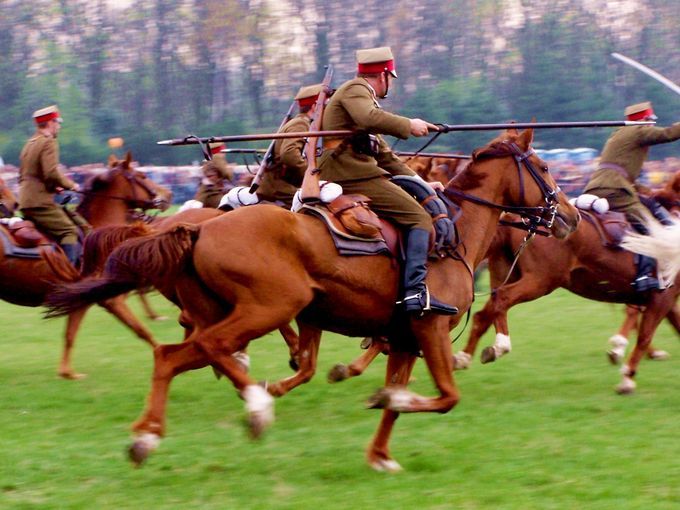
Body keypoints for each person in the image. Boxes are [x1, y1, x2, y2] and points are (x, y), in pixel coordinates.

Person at [318, 46, 456, 316]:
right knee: (419, 219)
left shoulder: (363, 100)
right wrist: (408, 124)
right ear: (382, 75)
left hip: (357, 172)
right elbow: (368, 118)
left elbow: (386, 157)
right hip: (352, 175)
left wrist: (424, 184)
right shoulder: (355, 90)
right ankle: (414, 292)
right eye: (390, 77)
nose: (390, 83)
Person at [583, 101, 680, 291]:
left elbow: (627, 178)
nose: (652, 125)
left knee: (647, 207)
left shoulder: (618, 135)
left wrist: (649, 193)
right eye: (651, 121)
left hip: (601, 187)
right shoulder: (637, 131)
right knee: (650, 226)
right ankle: (643, 276)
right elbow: (668, 134)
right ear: (644, 120)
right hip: (616, 190)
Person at [18, 105, 82, 266]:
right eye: (57, 123)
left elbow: (28, 174)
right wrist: (71, 185)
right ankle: (67, 275)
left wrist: (54, 187)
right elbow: (51, 173)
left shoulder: (30, 143)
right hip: (40, 202)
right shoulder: (48, 142)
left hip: (26, 201)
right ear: (50, 123)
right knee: (69, 230)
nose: (58, 126)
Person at [256, 84, 323, 209]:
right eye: (323, 106)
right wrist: (312, 173)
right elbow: (289, 155)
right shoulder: (301, 124)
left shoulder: (302, 123)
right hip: (281, 187)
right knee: (316, 207)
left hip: (283, 183)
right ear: (314, 107)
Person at [194, 142, 234, 208]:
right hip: (213, 192)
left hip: (208, 191)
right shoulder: (217, 158)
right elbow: (227, 174)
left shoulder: (208, 161)